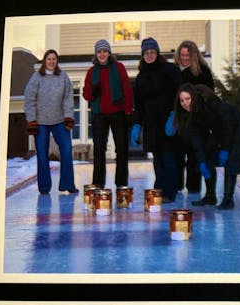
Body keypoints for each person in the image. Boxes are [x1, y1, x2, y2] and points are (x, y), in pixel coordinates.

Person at [170, 83, 240, 209]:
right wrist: (202, 161)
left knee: (231, 159)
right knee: (207, 154)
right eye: (182, 101)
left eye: (187, 99)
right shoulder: (190, 115)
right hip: (220, 131)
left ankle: (228, 200)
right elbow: (197, 141)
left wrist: (225, 149)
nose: (185, 103)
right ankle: (210, 196)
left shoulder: (210, 104)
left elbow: (227, 126)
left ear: (194, 97)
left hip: (236, 125)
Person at [132, 38, 181, 201]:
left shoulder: (170, 69)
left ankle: (170, 191)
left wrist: (175, 115)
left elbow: (179, 92)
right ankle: (159, 188)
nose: (149, 55)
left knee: (168, 157)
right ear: (143, 55)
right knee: (157, 158)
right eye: (146, 53)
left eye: (152, 52)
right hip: (151, 124)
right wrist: (137, 124)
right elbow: (138, 103)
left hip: (168, 121)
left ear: (157, 53)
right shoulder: (141, 77)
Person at [23, 49, 78, 195]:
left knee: (66, 151)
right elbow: (29, 99)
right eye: (49, 59)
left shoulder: (63, 76)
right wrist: (32, 120)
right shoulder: (36, 78)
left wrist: (68, 116)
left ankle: (68, 184)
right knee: (42, 155)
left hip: (60, 121)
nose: (51, 62)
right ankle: (44, 187)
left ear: (56, 61)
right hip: (40, 122)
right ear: (44, 61)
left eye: (54, 59)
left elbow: (68, 98)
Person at [82, 39, 134, 188]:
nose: (102, 54)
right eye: (99, 51)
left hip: (118, 112)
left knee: (122, 148)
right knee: (99, 149)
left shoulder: (119, 67)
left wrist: (129, 110)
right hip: (99, 114)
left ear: (109, 53)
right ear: (96, 54)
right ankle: (98, 183)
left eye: (105, 51)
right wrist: (93, 90)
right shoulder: (92, 72)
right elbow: (86, 95)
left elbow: (127, 90)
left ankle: (121, 183)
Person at [174, 40, 215, 195]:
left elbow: (209, 93)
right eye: (182, 55)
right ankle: (177, 185)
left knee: (194, 153)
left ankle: (193, 187)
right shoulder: (175, 71)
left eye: (188, 55)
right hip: (180, 117)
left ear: (194, 55)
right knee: (178, 153)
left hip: (198, 118)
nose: (185, 58)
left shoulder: (202, 71)